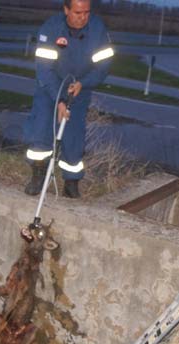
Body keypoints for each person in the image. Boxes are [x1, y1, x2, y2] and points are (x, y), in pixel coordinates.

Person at [23, 0, 114, 199]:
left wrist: (84, 83)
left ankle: (71, 183)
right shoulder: (50, 29)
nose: (83, 17)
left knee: (73, 138)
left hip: (80, 89)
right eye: (78, 12)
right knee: (41, 130)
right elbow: (44, 70)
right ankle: (38, 176)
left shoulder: (98, 30)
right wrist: (59, 100)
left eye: (87, 12)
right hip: (50, 88)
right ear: (66, 10)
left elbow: (103, 66)